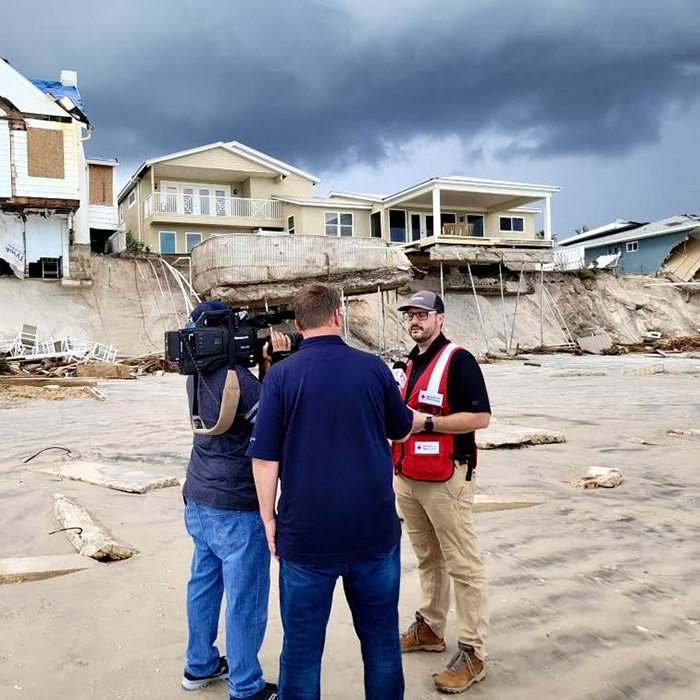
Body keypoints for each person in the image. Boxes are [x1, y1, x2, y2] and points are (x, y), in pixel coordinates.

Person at [248, 283, 419, 700]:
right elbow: (402, 428)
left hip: (306, 535)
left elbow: (264, 458)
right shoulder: (374, 368)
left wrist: (268, 518)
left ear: (299, 325)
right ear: (338, 317)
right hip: (373, 531)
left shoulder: (282, 376)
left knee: (302, 650)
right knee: (380, 644)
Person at [392, 290, 492, 695]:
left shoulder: (459, 361)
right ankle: (431, 628)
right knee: (428, 558)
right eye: (410, 315)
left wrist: (428, 425)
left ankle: (473, 651)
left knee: (463, 564)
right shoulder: (411, 362)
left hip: (448, 477)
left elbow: (481, 417)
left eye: (422, 314)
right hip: (408, 476)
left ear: (440, 319)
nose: (415, 321)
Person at [181, 300, 277, 700]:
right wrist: (272, 367)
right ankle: (246, 686)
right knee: (245, 596)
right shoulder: (238, 378)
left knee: (203, 582)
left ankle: (199, 665)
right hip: (236, 505)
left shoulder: (196, 375)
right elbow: (273, 420)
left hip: (198, 497)